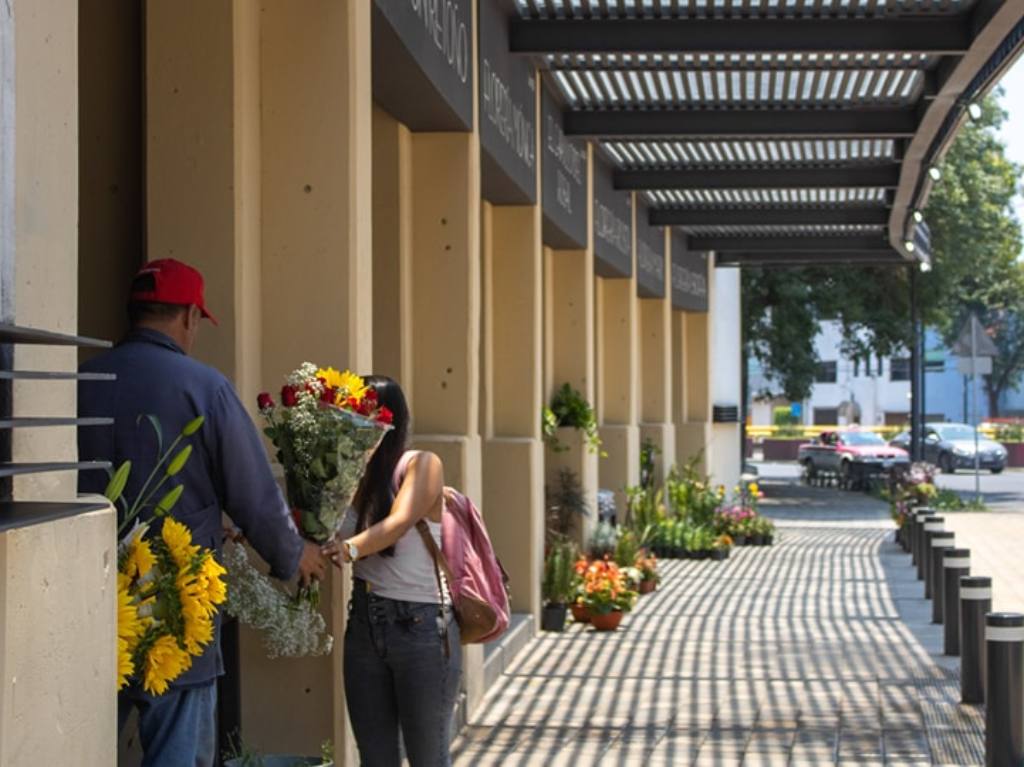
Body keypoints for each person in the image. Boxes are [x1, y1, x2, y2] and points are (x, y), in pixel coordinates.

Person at [78, 258, 328, 767]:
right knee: (179, 748)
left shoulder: (78, 380)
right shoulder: (203, 386)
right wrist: (292, 555)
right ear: (190, 316)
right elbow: (252, 490)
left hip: (87, 594)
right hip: (176, 602)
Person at [328, 376, 461, 767]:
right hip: (365, 625)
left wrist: (348, 550)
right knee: (376, 758)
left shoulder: (421, 464)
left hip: (420, 626)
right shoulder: (347, 475)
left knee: (427, 757)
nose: (352, 422)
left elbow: (400, 521)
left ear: (388, 418)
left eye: (361, 412)